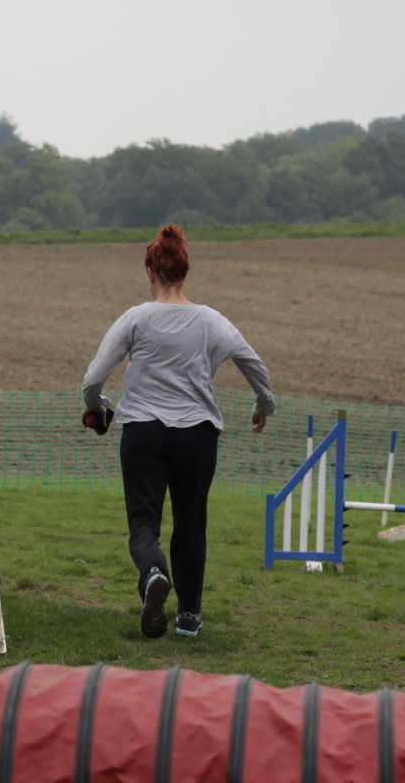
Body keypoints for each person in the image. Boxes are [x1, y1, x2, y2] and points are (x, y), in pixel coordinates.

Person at [79, 224, 275, 638]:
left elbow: (93, 378)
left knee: (143, 523)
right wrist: (263, 405)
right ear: (184, 272)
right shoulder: (212, 321)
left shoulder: (136, 318)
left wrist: (98, 407)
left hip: (143, 433)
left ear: (150, 273)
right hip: (197, 436)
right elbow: (255, 366)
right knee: (190, 523)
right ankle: (188, 617)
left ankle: (154, 573)